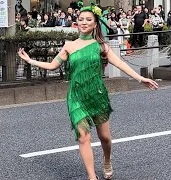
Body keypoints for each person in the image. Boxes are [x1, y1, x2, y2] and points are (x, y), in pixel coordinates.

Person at [18, 4, 159, 180]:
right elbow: (53, 65)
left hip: (97, 94)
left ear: (95, 24)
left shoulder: (101, 46)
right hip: (76, 97)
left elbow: (120, 63)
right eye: (81, 19)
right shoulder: (69, 46)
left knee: (105, 137)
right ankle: (92, 177)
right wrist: (31, 61)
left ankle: (107, 159)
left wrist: (140, 79)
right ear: (77, 22)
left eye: (88, 20)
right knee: (83, 138)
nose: (84, 22)